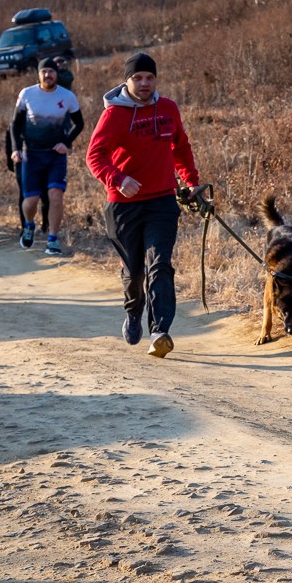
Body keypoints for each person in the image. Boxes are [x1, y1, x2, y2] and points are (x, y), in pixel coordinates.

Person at [85, 52, 202, 359]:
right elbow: (95, 157)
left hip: (162, 200)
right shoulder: (114, 115)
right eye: (138, 78)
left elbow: (181, 146)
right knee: (134, 270)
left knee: (160, 264)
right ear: (127, 81)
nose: (145, 83)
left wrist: (191, 182)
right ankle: (133, 312)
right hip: (123, 205)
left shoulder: (168, 109)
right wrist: (117, 178)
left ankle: (160, 330)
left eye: (149, 77)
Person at [11, 57, 84, 256]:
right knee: (31, 200)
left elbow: (80, 123)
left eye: (51, 71)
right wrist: (16, 148)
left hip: (55, 155)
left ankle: (53, 239)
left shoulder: (67, 96)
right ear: (39, 74)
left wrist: (66, 142)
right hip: (31, 154)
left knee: (55, 195)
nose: (48, 75)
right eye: (44, 71)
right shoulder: (27, 94)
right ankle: (28, 225)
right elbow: (15, 125)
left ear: (56, 74)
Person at [4, 127, 49, 237]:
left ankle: (45, 226)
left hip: (41, 159)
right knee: (26, 194)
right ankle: (26, 227)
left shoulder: (43, 118)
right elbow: (9, 142)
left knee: (44, 193)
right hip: (22, 161)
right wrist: (10, 162)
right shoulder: (15, 122)